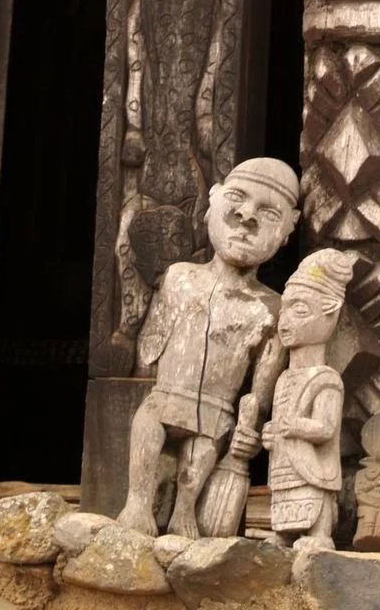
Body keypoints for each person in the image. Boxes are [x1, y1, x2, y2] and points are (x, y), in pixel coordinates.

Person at [116, 157, 299, 538]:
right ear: (212, 202)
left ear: (287, 232)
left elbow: (259, 392)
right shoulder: (179, 279)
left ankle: (186, 514)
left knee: (200, 457)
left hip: (216, 413)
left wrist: (251, 429)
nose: (246, 216)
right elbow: (150, 348)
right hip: (167, 394)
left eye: (268, 213)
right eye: (237, 198)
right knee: (148, 426)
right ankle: (137, 503)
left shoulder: (272, 309)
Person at [263, 247, 355, 550]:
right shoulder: (283, 379)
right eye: (284, 310)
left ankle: (319, 532)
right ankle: (284, 531)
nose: (286, 320)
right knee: (285, 493)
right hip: (285, 464)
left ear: (329, 316)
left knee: (315, 496)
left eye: (299, 311)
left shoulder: (326, 378)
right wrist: (272, 433)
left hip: (312, 467)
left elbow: (326, 429)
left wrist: (295, 426)